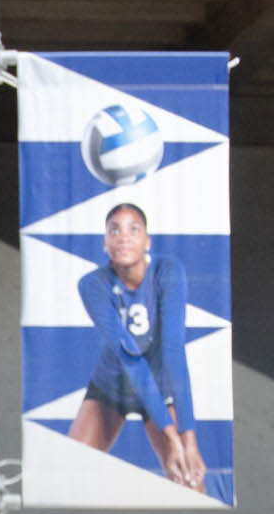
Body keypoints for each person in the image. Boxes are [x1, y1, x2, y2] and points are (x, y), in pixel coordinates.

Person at [68, 201, 207, 492]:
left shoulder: (167, 271)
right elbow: (130, 358)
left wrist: (187, 440)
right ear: (105, 243)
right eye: (114, 230)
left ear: (147, 241)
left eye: (134, 229)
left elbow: (174, 352)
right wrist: (171, 437)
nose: (123, 237)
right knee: (70, 476)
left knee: (190, 479)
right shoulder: (92, 284)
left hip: (159, 389)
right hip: (111, 389)